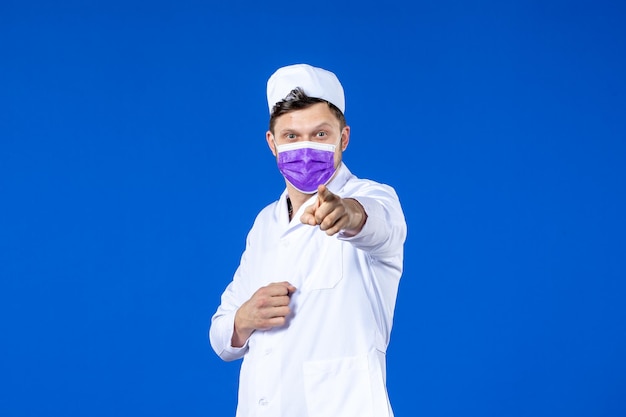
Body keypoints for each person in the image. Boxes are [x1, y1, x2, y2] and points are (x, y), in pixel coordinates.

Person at [209, 63, 407, 417]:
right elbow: (222, 335)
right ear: (272, 143)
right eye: (291, 136)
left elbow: (376, 222)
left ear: (343, 138)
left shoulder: (374, 197)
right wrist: (244, 319)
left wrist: (346, 214)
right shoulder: (264, 224)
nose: (304, 147)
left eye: (319, 134)